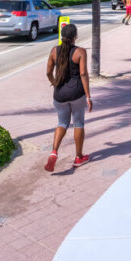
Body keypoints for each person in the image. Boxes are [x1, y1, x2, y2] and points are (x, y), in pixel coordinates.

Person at [44, 23, 92, 171]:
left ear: (62, 36)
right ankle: (78, 157)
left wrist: (55, 83)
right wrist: (88, 97)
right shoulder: (80, 52)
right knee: (78, 124)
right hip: (76, 93)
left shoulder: (54, 50)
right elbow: (83, 74)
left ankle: (54, 152)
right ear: (75, 37)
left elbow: (48, 72)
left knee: (62, 123)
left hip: (59, 95)